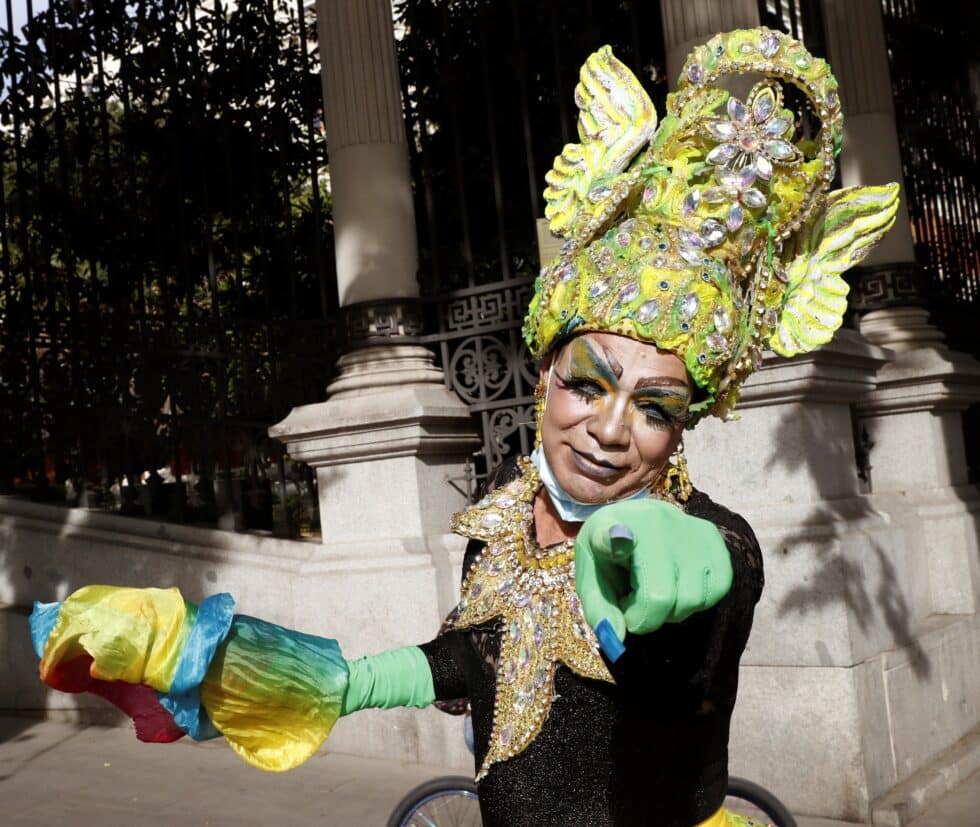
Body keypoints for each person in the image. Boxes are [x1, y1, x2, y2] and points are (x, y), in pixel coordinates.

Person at [29, 27, 899, 827]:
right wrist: (281, 673)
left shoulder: (717, 543)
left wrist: (653, 549)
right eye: (587, 385)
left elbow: (690, 620)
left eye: (655, 408)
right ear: (544, 376)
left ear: (684, 429)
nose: (608, 428)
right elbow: (468, 657)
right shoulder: (499, 532)